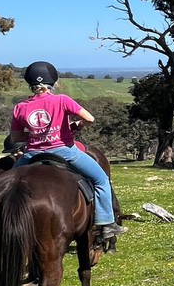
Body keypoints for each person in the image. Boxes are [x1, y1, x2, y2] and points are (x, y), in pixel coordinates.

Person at [9, 61, 125, 244]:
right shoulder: (62, 100)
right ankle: (106, 224)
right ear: (52, 82)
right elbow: (90, 118)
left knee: (6, 186)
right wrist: (75, 126)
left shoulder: (20, 107)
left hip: (31, 154)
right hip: (64, 151)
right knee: (101, 179)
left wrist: (35, 134)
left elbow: (15, 137)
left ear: (29, 84)